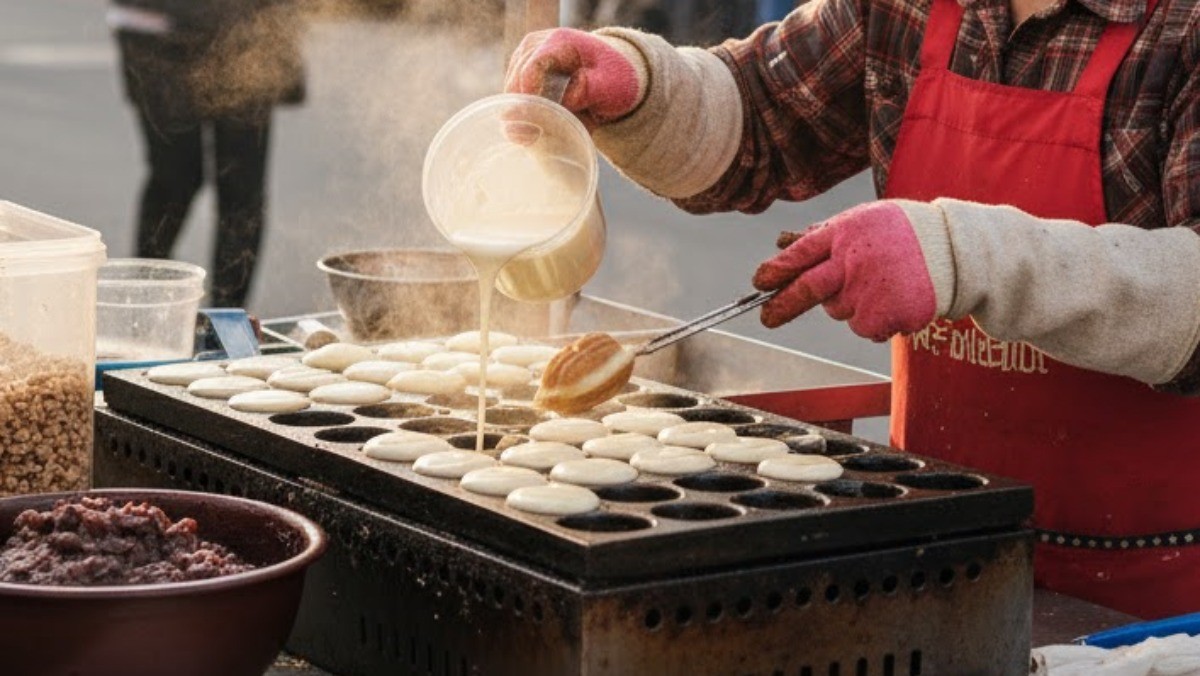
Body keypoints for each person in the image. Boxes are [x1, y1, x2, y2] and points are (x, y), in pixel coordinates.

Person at [505, 0, 1200, 620]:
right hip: (935, 550)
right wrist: (642, 89)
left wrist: (963, 256)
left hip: (1150, 602)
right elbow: (760, 116)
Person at [109, 0, 305, 308]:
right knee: (176, 177)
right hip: (158, 32)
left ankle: (227, 320)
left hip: (249, 32)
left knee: (242, 188)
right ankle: (143, 302)